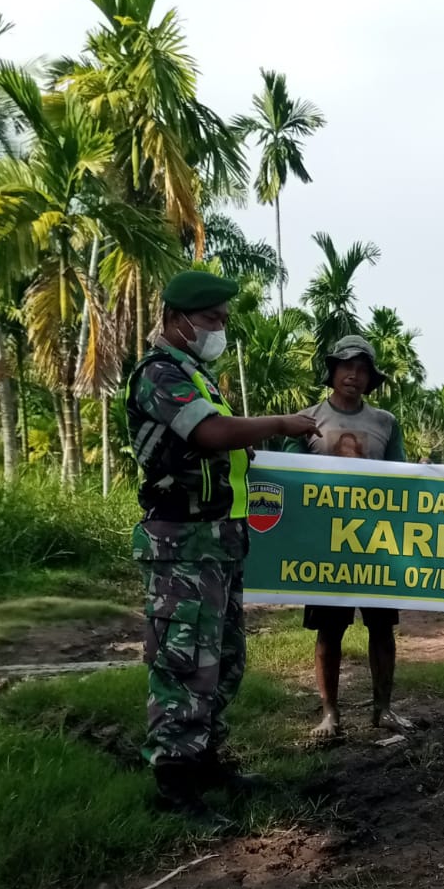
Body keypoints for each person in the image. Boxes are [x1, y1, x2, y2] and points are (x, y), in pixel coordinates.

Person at [127, 270, 317, 819]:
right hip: (182, 542)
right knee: (184, 660)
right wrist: (280, 423)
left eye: (223, 321)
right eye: (211, 320)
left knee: (223, 658)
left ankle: (206, 758)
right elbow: (208, 433)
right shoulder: (161, 374)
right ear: (175, 319)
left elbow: (214, 451)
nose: (219, 330)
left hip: (216, 540)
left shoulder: (198, 374)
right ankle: (175, 782)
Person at [286, 334, 412, 740]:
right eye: (346, 367)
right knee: (330, 629)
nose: (353, 375)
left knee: (381, 629)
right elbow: (282, 476)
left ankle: (383, 709)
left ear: (370, 379)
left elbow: (402, 479)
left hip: (375, 543)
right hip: (325, 545)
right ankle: (329, 713)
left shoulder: (385, 423)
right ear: (332, 371)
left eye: (362, 369)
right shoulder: (306, 420)